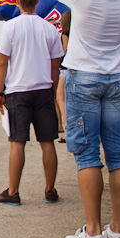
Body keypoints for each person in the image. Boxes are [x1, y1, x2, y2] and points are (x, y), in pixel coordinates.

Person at [34, 0, 120, 238]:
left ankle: (92, 230)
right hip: (115, 79)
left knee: (88, 156)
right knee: (119, 155)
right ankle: (117, 228)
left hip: (83, 78)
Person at [0, 0, 64, 206]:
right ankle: (50, 189)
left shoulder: (10, 27)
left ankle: (13, 192)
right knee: (47, 141)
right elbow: (55, 65)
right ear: (37, 2)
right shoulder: (50, 29)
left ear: (17, 2)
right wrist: (52, 92)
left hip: (17, 91)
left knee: (17, 142)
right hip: (43, 89)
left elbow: (2, 61)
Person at [56, 11, 71, 142]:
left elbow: (65, 50)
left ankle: (68, 131)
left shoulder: (66, 33)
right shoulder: (79, 33)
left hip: (66, 68)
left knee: (60, 99)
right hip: (78, 68)